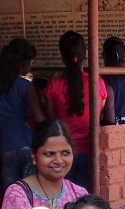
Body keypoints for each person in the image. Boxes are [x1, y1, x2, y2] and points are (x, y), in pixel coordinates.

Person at [43, 31, 106, 190]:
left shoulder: (53, 85)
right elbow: (99, 114)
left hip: (62, 154)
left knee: (64, 198)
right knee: (86, 197)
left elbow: (52, 120)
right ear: (86, 53)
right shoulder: (97, 82)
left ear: (62, 56)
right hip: (90, 151)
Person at [0, 38, 44, 188]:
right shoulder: (25, 86)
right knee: (29, 190)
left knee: (10, 191)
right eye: (31, 61)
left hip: (6, 145)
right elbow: (39, 118)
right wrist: (33, 120)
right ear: (23, 62)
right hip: (27, 143)